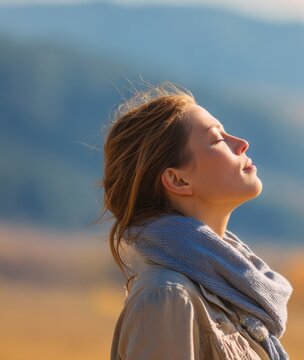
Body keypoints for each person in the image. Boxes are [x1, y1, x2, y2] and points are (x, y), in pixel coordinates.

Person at [97, 82, 293, 360]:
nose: (241, 143)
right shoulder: (166, 298)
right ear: (178, 180)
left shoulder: (226, 294)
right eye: (217, 139)